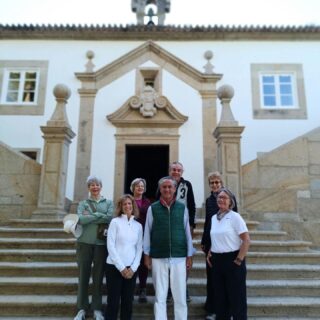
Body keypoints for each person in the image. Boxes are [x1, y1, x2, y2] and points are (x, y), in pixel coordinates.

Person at [144, 176, 193, 320]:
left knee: (180, 296)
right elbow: (147, 232)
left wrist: (189, 255)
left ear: (175, 189)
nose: (167, 189)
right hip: (158, 256)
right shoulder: (152, 208)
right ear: (160, 189)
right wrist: (147, 255)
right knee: (160, 296)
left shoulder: (182, 208)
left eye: (170, 187)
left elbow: (187, 232)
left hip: (179, 256)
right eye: (164, 187)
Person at [74, 176, 114, 320]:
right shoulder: (83, 203)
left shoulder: (109, 202)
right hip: (84, 243)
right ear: (88, 187)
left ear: (101, 186)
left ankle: (97, 308)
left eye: (97, 184)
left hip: (101, 244)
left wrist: (90, 215)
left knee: (98, 277)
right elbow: (81, 219)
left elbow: (109, 217)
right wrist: (98, 215)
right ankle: (81, 309)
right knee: (83, 276)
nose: (95, 187)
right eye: (91, 185)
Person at [207, 188, 250, 320]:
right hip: (217, 262)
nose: (221, 199)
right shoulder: (214, 218)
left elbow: (246, 240)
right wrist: (209, 253)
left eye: (224, 197)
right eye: (219, 197)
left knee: (237, 298)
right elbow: (216, 237)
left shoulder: (235, 217)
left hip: (233, 260)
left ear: (231, 202)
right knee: (220, 299)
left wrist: (238, 260)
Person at [201, 172, 238, 320]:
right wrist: (204, 241)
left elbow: (234, 221)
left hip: (226, 244)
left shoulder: (230, 198)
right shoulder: (209, 200)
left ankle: (226, 310)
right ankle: (212, 307)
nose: (215, 185)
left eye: (217, 182)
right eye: (212, 183)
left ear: (221, 183)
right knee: (212, 278)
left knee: (225, 280)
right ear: (209, 185)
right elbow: (208, 223)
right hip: (211, 244)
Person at [105, 194, 143, 320]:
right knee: (113, 302)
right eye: (124, 204)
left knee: (128, 302)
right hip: (114, 267)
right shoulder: (115, 222)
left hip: (131, 269)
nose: (127, 206)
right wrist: (121, 268)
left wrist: (133, 268)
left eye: (129, 203)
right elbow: (111, 246)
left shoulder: (138, 226)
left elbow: (139, 249)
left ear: (133, 206)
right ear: (120, 207)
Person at [130, 178, 151, 303]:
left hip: (144, 235)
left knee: (143, 264)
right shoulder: (128, 200)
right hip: (130, 235)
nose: (140, 188)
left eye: (142, 186)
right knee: (131, 262)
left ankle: (142, 288)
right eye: (137, 186)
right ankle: (130, 288)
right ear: (133, 188)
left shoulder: (147, 201)